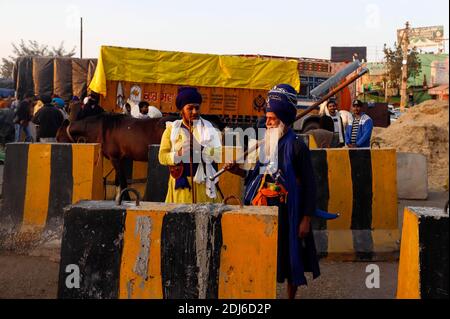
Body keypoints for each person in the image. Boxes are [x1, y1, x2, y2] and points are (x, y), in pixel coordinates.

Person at [225, 84, 320, 299]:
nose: (267, 122)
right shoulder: (266, 144)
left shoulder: (297, 147)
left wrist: (305, 219)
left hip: (289, 213)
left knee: (289, 260)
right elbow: (256, 177)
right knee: (262, 257)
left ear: (284, 119)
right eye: (267, 118)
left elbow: (310, 185)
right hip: (263, 210)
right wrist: (237, 170)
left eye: (272, 118)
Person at [158, 87, 223, 204]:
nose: (194, 112)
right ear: (181, 110)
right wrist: (179, 154)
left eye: (197, 108)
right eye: (190, 108)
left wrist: (201, 149)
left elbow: (218, 155)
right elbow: (162, 157)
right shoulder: (171, 130)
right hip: (181, 186)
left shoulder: (209, 128)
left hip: (203, 184)